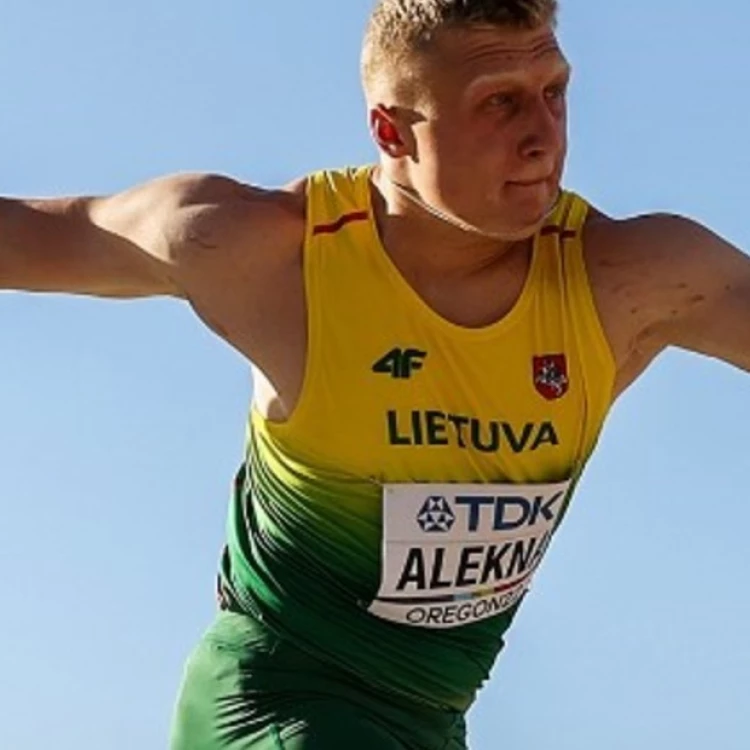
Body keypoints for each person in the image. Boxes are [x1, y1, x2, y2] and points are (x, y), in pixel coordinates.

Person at [4, 0, 750, 747]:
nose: (542, 138)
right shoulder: (271, 255)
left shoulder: (627, 280)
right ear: (392, 130)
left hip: (430, 720)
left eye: (554, 92)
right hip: (275, 702)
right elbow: (36, 237)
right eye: (500, 103)